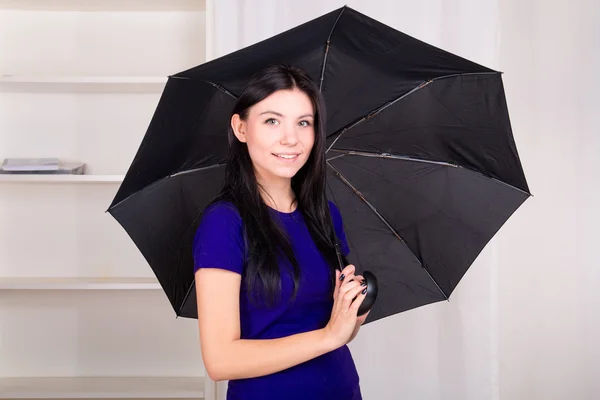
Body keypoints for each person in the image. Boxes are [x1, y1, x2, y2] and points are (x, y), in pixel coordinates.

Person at [192, 63, 369, 400]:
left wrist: (352, 313)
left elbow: (333, 329)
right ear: (241, 128)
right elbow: (220, 360)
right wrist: (330, 336)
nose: (291, 138)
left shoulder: (325, 215)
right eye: (272, 120)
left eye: (304, 123)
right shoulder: (224, 222)